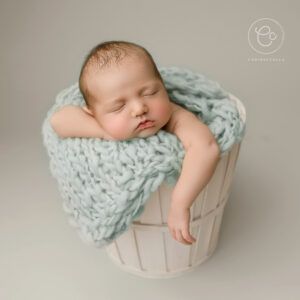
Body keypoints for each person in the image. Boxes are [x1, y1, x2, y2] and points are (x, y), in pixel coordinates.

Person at [50, 40, 220, 245]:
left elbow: (205, 147)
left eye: (150, 93)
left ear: (163, 87)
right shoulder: (99, 121)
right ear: (93, 114)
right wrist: (105, 131)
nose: (139, 108)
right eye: (118, 107)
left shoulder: (175, 116)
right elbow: (58, 121)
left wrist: (179, 204)